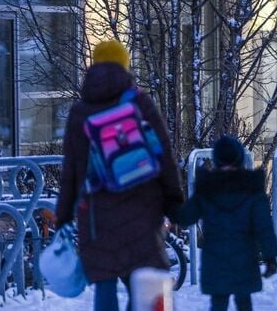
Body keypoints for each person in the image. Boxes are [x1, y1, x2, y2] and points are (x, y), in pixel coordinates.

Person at [55, 40, 185, 311]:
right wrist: (174, 200)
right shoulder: (140, 103)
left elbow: (71, 170)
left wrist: (64, 214)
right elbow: (164, 155)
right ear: (125, 65)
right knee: (143, 282)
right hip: (143, 206)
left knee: (105, 281)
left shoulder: (80, 112)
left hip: (97, 214)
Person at [176, 136, 277, 311]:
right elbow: (264, 227)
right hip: (244, 257)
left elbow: (185, 217)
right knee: (244, 302)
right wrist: (270, 257)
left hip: (215, 258)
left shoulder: (206, 188)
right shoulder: (252, 189)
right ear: (239, 159)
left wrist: (170, 203)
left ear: (216, 159)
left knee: (218, 302)